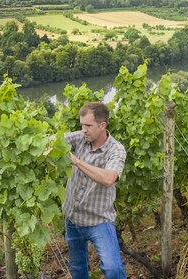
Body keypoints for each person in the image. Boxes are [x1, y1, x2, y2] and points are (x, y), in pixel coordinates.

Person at [63, 102, 126, 279]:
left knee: (113, 269)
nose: (84, 130)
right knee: (77, 268)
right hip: (73, 219)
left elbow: (108, 178)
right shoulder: (80, 137)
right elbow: (56, 141)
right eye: (82, 125)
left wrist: (77, 162)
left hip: (98, 220)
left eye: (88, 125)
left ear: (102, 125)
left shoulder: (116, 150)